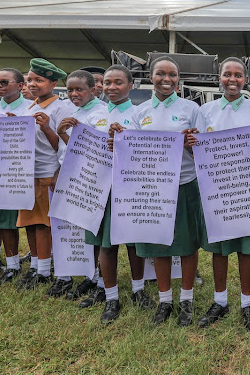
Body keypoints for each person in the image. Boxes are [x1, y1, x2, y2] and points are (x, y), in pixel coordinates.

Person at [191, 57, 250, 331]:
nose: (232, 80)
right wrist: (191, 143)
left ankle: (247, 303)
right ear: (219, 78)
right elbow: (198, 150)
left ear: (245, 79)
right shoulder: (206, 110)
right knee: (219, 249)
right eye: (227, 74)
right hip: (216, 188)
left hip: (247, 189)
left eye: (238, 75)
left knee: (246, 250)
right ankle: (220, 301)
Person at [124, 56, 202, 327]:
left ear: (179, 80)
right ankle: (165, 299)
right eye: (160, 74)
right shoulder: (139, 111)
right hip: (152, 188)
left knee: (189, 243)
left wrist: (192, 144)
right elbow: (130, 149)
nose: (166, 79)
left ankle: (188, 299)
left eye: (172, 75)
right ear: (151, 77)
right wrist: (116, 140)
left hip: (184, 183)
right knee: (159, 244)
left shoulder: (191, 109)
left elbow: (204, 151)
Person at [92, 64, 155, 323]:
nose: (112, 87)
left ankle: (139, 290)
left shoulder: (141, 115)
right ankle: (111, 296)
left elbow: (149, 148)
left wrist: (125, 140)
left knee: (134, 243)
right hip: (100, 186)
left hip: (131, 186)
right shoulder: (92, 114)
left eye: (118, 82)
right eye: (107, 82)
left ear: (131, 85)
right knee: (106, 245)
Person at [50, 70, 107, 300]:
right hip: (69, 174)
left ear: (93, 90)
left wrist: (63, 133)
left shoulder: (100, 113)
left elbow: (89, 151)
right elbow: (66, 153)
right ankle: (82, 275)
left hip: (92, 178)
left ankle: (100, 280)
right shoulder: (70, 110)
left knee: (94, 231)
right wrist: (59, 171)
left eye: (79, 89)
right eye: (69, 90)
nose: (74, 94)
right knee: (75, 229)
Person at [16, 58, 72, 291]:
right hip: (27, 172)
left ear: (53, 82)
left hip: (49, 172)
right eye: (30, 79)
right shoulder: (29, 107)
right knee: (30, 222)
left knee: (47, 225)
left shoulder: (61, 108)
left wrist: (47, 127)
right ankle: (38, 266)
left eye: (39, 80)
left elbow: (64, 146)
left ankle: (49, 268)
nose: (33, 84)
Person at [0, 69, 32, 288]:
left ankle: (32, 265)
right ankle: (9, 264)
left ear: (21, 85)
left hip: (19, 174)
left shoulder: (30, 108)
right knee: (0, 221)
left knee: (22, 222)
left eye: (4, 82)